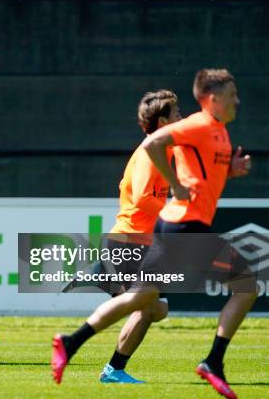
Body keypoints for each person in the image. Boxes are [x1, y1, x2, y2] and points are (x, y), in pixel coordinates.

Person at [51, 69, 256, 399]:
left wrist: (230, 172)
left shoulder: (214, 135)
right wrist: (175, 189)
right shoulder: (198, 127)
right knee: (242, 287)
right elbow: (152, 156)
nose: (238, 100)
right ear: (214, 99)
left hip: (168, 230)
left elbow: (202, 185)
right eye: (232, 94)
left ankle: (72, 343)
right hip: (160, 233)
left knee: (148, 303)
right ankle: (211, 363)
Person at [98, 90, 180, 383]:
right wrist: (175, 211)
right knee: (149, 308)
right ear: (162, 121)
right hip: (130, 241)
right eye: (176, 114)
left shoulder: (163, 150)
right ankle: (113, 369)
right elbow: (145, 198)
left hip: (141, 243)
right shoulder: (150, 150)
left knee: (157, 310)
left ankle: (113, 368)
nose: (180, 118)